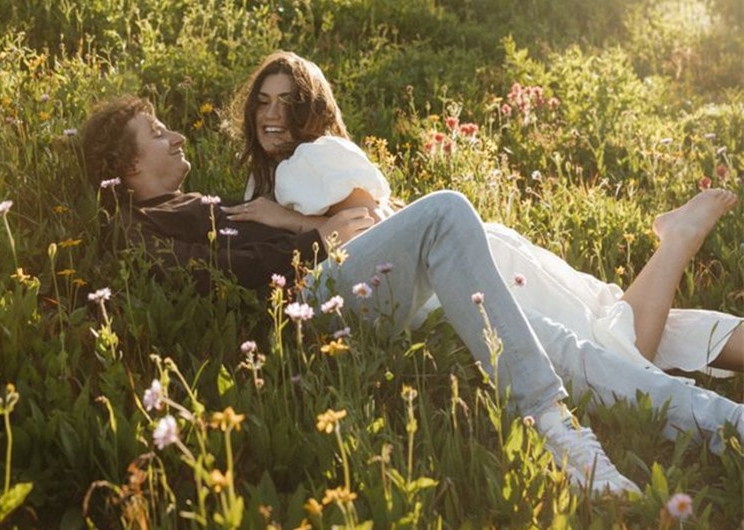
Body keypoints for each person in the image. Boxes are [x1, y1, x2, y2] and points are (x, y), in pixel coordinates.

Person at [81, 95, 644, 494]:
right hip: (305, 312)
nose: (176, 135)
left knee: (557, 342)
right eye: (157, 134)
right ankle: (555, 428)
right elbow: (215, 280)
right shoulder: (138, 228)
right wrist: (318, 239)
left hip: (327, 285)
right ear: (128, 165)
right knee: (445, 211)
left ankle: (723, 423)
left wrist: (330, 224)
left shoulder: (192, 205)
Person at [223, 51, 744, 454]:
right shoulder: (274, 175)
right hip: (479, 247)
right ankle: (676, 239)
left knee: (615, 342)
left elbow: (368, 223)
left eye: (287, 101)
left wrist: (290, 220)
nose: (272, 114)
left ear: (312, 109)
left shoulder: (309, 159)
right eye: (263, 102)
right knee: (611, 310)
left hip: (469, 262)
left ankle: (675, 243)